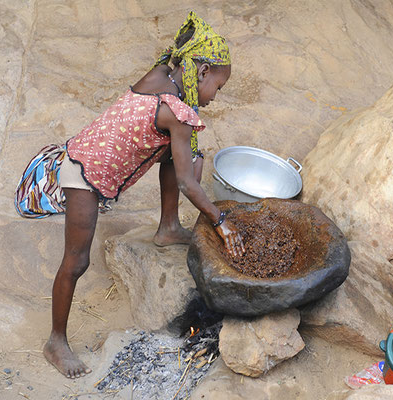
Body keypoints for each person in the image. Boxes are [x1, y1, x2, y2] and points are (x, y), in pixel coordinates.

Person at [38, 11, 245, 379]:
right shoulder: (177, 115)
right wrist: (221, 220)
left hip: (89, 155)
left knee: (180, 152)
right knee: (77, 261)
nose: (216, 96)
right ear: (201, 73)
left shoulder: (163, 74)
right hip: (83, 173)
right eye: (219, 85)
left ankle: (167, 228)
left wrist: (192, 153)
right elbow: (187, 182)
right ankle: (56, 340)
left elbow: (182, 151)